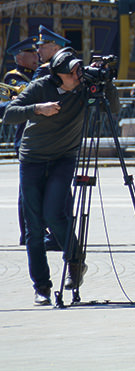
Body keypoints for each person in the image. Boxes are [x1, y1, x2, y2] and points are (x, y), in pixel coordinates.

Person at [3, 49, 89, 305]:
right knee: (34, 227)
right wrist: (37, 109)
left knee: (54, 214)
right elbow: (9, 114)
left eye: (79, 69)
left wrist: (107, 84)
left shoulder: (85, 88)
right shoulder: (40, 87)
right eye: (72, 72)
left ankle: (76, 261)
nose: (77, 75)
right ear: (58, 75)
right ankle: (41, 286)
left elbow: (114, 107)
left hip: (64, 158)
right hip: (33, 159)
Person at [4, 38, 38, 246]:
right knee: (27, 189)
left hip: (40, 136)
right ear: (19, 57)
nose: (36, 57)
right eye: (31, 54)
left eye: (36, 53)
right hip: (25, 138)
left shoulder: (38, 74)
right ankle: (27, 232)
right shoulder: (14, 77)